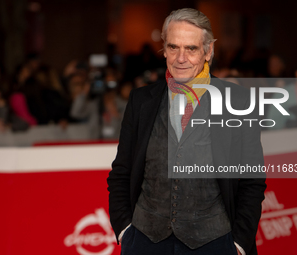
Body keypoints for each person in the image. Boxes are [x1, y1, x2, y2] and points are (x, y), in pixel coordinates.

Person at [107, 8, 266, 255]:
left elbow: (252, 180)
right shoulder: (141, 101)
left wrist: (239, 243)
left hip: (214, 242)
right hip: (144, 240)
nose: (181, 58)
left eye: (191, 48)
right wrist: (124, 230)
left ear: (208, 51)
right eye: (173, 47)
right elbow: (122, 171)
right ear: (164, 50)